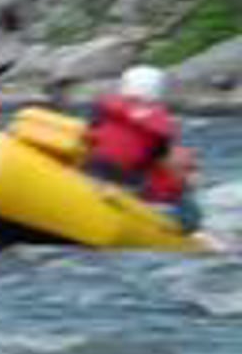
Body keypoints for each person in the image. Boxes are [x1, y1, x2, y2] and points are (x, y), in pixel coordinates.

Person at [86, 64, 202, 232]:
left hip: (95, 166)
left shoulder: (103, 107)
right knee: (188, 213)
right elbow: (155, 157)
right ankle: (145, 207)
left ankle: (111, 190)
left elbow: (92, 130)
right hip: (129, 176)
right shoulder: (162, 125)